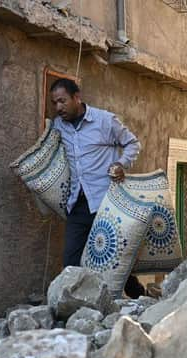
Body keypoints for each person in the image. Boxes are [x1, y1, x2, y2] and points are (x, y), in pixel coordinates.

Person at [50, 78, 141, 267]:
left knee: (114, 262)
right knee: (71, 262)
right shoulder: (59, 125)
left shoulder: (105, 120)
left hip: (106, 203)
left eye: (62, 101)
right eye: (55, 103)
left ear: (76, 97)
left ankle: (139, 295)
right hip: (77, 204)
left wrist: (121, 164)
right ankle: (71, 297)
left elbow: (133, 143)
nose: (58, 107)